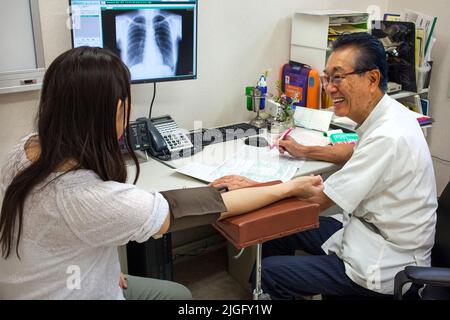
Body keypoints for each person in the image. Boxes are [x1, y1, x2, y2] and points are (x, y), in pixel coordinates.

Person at [0, 46, 323, 300]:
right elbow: (208, 206)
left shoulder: (25, 150)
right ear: (116, 111)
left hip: (44, 285)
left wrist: (101, 269)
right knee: (180, 295)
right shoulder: (86, 197)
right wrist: (288, 187)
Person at [211, 32, 437, 299]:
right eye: (327, 78)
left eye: (338, 77)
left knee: (270, 271)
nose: (329, 88)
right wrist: (305, 150)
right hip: (369, 233)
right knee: (278, 234)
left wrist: (255, 187)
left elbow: (320, 199)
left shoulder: (388, 136)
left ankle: (271, 289)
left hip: (383, 262)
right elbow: (354, 152)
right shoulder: (390, 113)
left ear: (372, 79)